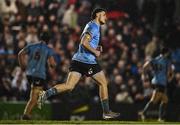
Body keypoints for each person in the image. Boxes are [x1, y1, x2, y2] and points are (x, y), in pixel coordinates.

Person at [37, 8, 120, 120]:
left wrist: (96, 47)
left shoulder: (90, 25)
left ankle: (46, 94)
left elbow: (86, 42)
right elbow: (84, 42)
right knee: (103, 83)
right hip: (87, 61)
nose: (106, 17)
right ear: (97, 15)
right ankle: (106, 112)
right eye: (104, 15)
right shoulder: (94, 27)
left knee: (69, 86)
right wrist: (95, 51)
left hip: (77, 59)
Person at [18, 32, 56, 120]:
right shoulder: (48, 49)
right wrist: (53, 64)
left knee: (36, 96)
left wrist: (23, 66)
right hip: (39, 75)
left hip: (29, 74)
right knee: (35, 97)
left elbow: (20, 54)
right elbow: (52, 64)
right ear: (48, 40)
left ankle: (27, 114)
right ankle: (25, 115)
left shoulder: (31, 46)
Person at [139, 47, 174, 121]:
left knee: (164, 100)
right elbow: (169, 72)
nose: (168, 54)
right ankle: (156, 116)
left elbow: (145, 66)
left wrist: (144, 75)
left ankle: (150, 114)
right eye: (168, 53)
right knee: (158, 99)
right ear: (166, 53)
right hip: (161, 82)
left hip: (156, 81)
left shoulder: (155, 59)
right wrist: (170, 78)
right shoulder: (166, 61)